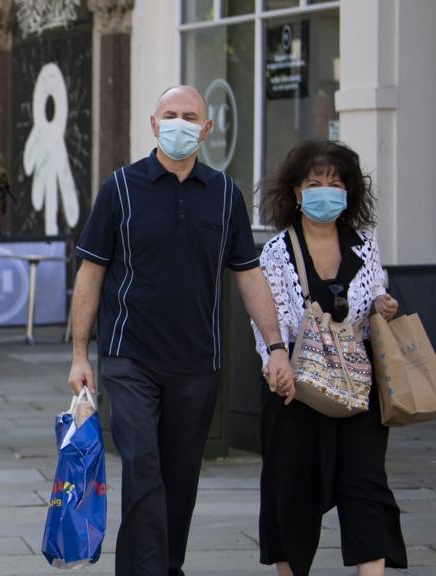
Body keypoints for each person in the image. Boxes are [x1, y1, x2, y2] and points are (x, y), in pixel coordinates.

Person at [67, 85, 294, 576]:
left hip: (197, 364)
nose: (179, 123)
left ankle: (163, 566)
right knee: (143, 469)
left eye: (190, 116)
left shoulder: (225, 193)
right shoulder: (120, 189)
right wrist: (80, 355)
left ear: (207, 129)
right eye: (170, 115)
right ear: (153, 125)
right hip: (131, 358)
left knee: (180, 478)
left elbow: (248, 272)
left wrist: (276, 346)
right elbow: (91, 272)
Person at [252, 139, 407, 576]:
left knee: (365, 486)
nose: (326, 191)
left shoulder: (364, 245)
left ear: (349, 192)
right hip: (295, 388)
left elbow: (375, 292)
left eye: (335, 183)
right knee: (293, 491)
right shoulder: (277, 251)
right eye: (315, 182)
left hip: (358, 387)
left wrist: (383, 304)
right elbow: (269, 318)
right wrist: (274, 360)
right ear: (296, 192)